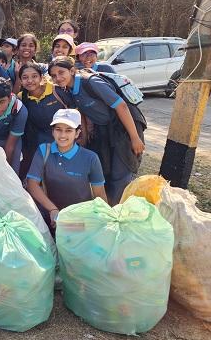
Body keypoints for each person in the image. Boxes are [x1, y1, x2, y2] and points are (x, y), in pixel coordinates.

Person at [48, 56, 146, 204]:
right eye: (54, 76)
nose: (58, 78)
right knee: (104, 169)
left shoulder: (91, 82)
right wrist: (84, 136)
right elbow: (82, 111)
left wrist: (134, 138)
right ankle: (107, 206)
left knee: (121, 172)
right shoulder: (69, 89)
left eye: (61, 72)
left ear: (72, 70)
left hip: (124, 126)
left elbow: (122, 106)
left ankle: (117, 212)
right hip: (104, 127)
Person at [27, 109, 107, 231]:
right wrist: (53, 210)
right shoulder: (44, 150)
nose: (63, 135)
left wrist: (103, 221)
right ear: (52, 131)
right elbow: (32, 184)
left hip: (82, 221)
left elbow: (100, 195)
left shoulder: (91, 158)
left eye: (68, 130)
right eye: (58, 129)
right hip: (52, 218)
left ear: (77, 133)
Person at [17, 62, 74, 179]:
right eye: (25, 77)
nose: (30, 80)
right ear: (20, 81)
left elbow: (76, 111)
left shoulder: (56, 91)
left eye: (34, 76)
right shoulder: (21, 97)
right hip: (40, 140)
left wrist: (83, 134)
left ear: (41, 77)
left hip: (64, 136)